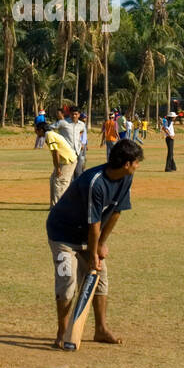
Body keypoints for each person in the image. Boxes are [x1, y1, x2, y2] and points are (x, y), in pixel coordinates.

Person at [45, 138, 142, 349]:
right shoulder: (94, 182)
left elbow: (116, 212)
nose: (138, 165)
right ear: (126, 163)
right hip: (62, 234)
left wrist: (99, 246)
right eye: (136, 162)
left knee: (100, 276)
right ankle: (63, 332)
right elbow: (94, 224)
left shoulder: (126, 178)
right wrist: (93, 252)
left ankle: (100, 329)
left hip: (87, 235)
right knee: (68, 279)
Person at [41, 118, 77, 209]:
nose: (35, 132)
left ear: (41, 130)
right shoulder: (49, 134)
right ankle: (54, 206)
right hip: (63, 161)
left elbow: (55, 152)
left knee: (60, 182)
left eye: (35, 130)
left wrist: (57, 168)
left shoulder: (49, 135)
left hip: (68, 161)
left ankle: (60, 208)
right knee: (53, 179)